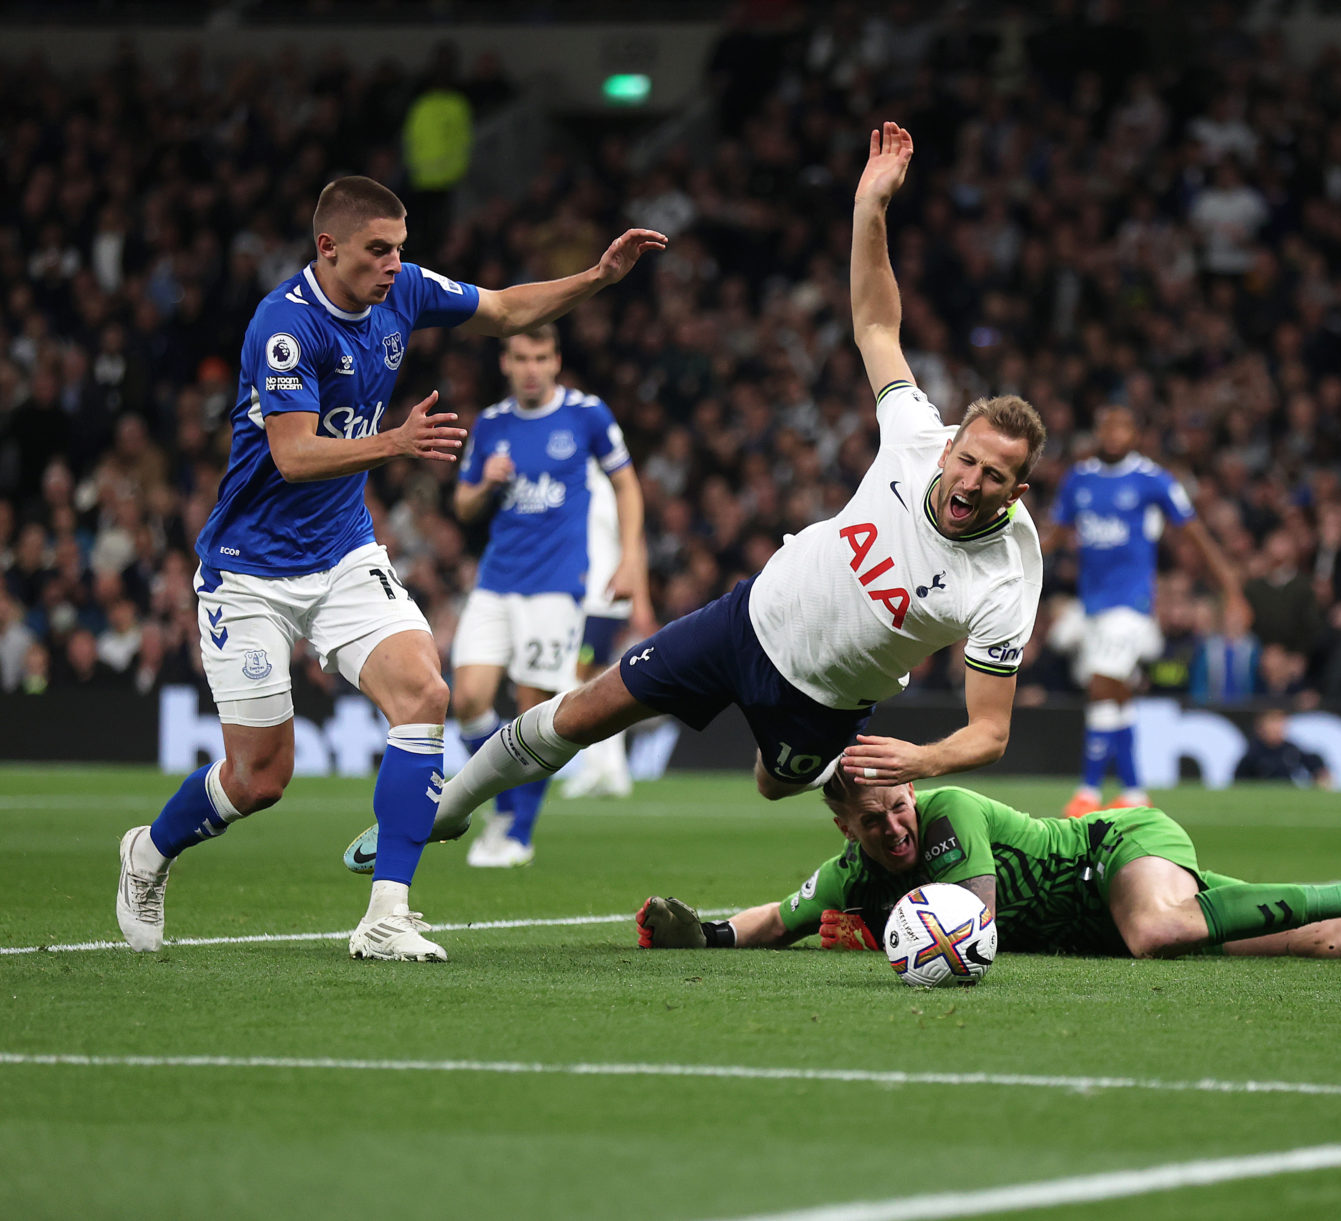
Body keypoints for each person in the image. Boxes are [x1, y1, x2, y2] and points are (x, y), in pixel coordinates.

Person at [342, 121, 1045, 860]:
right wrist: (869, 208)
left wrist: (923, 759)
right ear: (953, 441)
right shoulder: (915, 436)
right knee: (583, 710)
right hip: (748, 617)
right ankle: (447, 807)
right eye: (965, 458)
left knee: (775, 787)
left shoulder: (1005, 575)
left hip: (824, 700)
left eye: (991, 476)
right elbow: (875, 323)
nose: (967, 479)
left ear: (1015, 490)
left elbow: (990, 732)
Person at [115, 174, 666, 961]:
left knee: (426, 692)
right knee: (260, 775)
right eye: (378, 250)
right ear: (328, 248)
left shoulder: (402, 291)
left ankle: (386, 914)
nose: (394, 265)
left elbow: (507, 308)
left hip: (342, 554)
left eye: (400, 249)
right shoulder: (283, 325)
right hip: (248, 571)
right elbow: (293, 452)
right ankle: (149, 851)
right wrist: (395, 444)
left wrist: (598, 278)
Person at [635, 776, 1341, 964]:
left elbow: (971, 925)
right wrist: (694, 929)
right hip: (1101, 928)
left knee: (1165, 931)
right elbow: (767, 919)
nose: (897, 827)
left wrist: (893, 939)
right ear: (848, 828)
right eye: (876, 821)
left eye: (897, 807)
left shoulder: (946, 813)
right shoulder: (855, 870)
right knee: (1335, 947)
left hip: (1118, 855)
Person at [444, 324, 647, 868]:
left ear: (556, 361)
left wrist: (629, 556)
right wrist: (484, 481)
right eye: (520, 358)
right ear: (506, 363)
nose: (531, 368)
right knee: (467, 700)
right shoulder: (491, 424)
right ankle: (507, 803)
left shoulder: (587, 414)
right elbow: (462, 506)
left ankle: (518, 834)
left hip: (557, 588)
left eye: (540, 357)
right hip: (495, 581)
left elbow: (627, 483)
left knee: (534, 713)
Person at [1045, 405, 1243, 817]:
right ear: (1097, 431)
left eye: (1122, 427)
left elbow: (1195, 534)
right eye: (1106, 426)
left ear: (1135, 433)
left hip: (1131, 604)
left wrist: (1231, 588)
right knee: (1116, 695)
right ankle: (1135, 792)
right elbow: (1053, 537)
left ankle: (1087, 792)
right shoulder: (1078, 480)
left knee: (1102, 685)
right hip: (1092, 605)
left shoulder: (1153, 480)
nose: (1114, 434)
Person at [558, 429, 660, 801]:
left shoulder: (608, 490)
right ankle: (609, 770)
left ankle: (601, 770)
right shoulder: (567, 489)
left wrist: (642, 602)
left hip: (604, 600)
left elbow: (636, 545)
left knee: (581, 678)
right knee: (593, 681)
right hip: (576, 599)